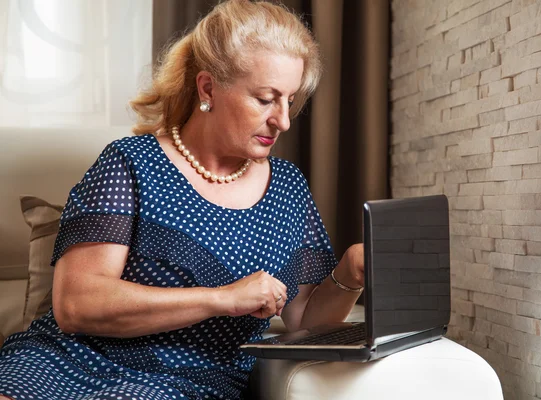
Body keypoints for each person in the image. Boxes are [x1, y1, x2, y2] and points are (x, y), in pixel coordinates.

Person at [0, 1, 364, 399]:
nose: (283, 120)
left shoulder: (288, 187)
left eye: (289, 100)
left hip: (189, 383)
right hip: (66, 361)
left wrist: (348, 274)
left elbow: (302, 319)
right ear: (208, 87)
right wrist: (222, 299)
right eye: (265, 99)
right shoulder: (131, 163)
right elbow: (76, 305)